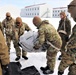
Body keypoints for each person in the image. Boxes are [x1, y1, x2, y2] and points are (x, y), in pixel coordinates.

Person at [58, 0, 76, 75]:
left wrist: (61, 69)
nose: (71, 15)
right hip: (60, 35)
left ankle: (62, 54)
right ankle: (62, 54)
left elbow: (71, 50)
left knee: (65, 46)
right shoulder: (60, 21)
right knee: (62, 46)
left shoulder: (67, 21)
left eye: (71, 12)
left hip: (65, 36)